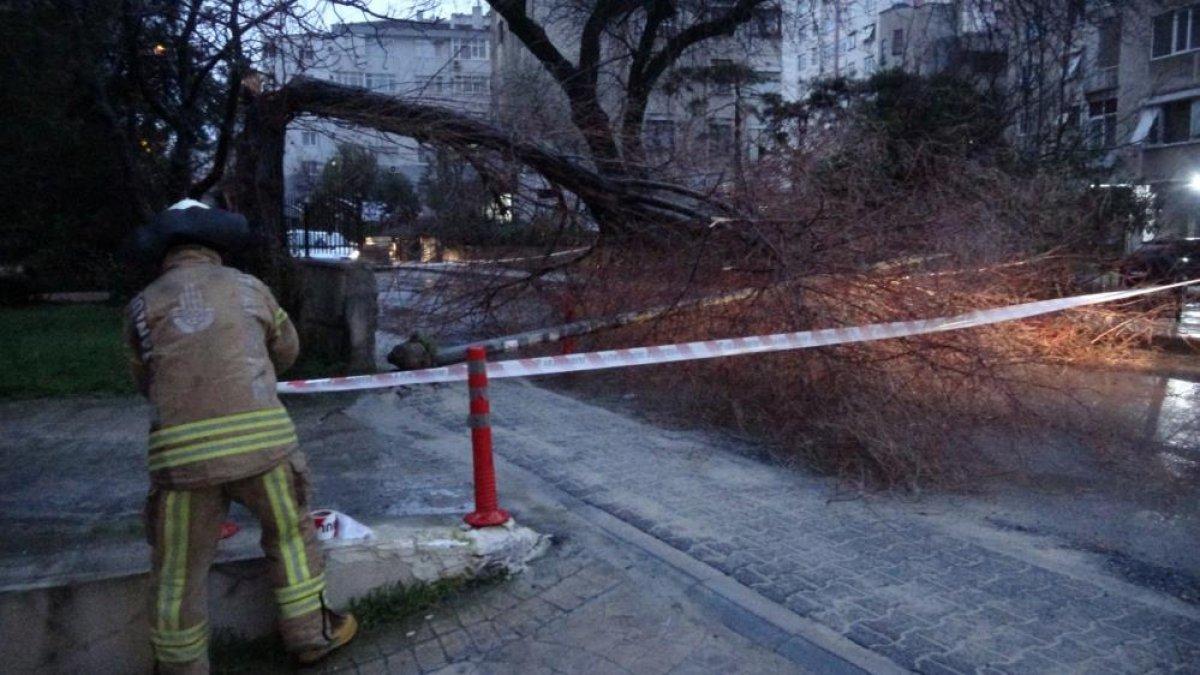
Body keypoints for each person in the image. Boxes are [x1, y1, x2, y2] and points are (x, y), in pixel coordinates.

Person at [125, 200, 357, 673]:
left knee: (177, 571)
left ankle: (179, 666)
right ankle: (311, 637)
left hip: (183, 463)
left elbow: (143, 378)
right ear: (217, 246)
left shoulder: (141, 307)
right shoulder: (252, 289)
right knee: (290, 538)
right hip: (264, 451)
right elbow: (287, 351)